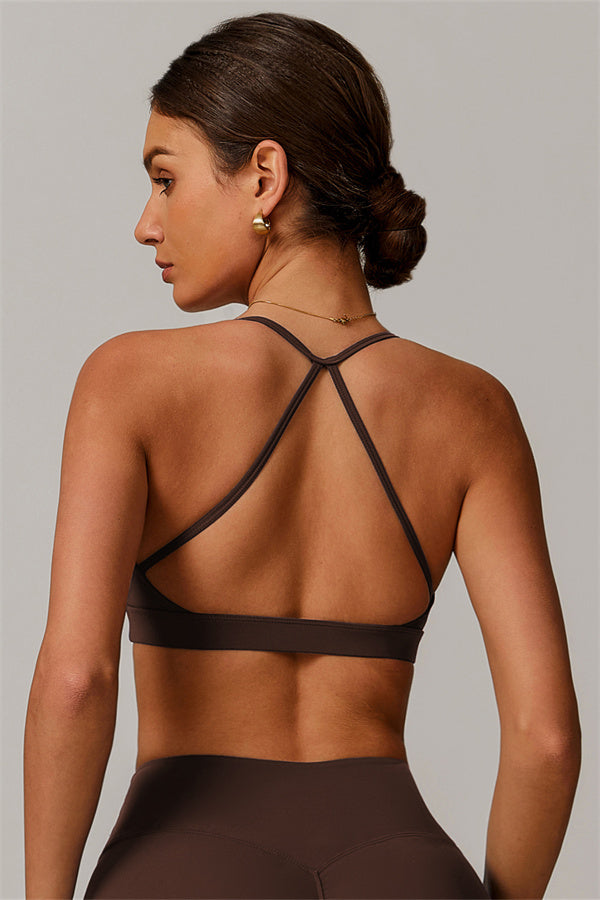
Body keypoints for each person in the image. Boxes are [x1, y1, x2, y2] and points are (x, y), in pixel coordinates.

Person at [23, 11, 581, 900]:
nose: (145, 223)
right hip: (402, 868)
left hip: (184, 868)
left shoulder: (129, 381)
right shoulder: (473, 410)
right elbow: (546, 737)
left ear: (264, 175)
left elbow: (76, 682)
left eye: (165, 179)